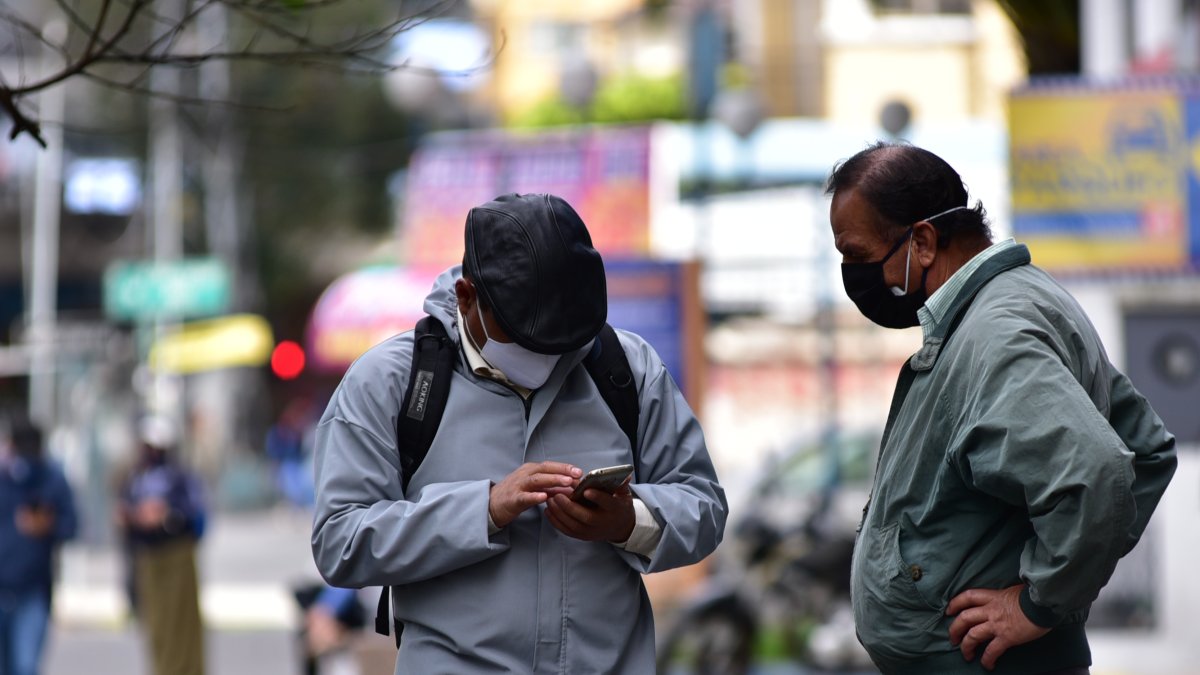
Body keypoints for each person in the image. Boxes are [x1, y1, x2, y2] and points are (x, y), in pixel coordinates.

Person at [311, 192, 727, 673]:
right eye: (528, 336)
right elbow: (340, 542)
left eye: (564, 337)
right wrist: (482, 509)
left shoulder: (625, 368)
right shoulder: (390, 383)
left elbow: (706, 507)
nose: (548, 356)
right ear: (467, 298)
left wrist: (631, 522)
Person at [825, 141, 1178, 675]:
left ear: (922, 240)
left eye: (855, 254)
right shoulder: (1014, 303)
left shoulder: (996, 332)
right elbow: (1145, 448)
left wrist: (1040, 603)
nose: (852, 272)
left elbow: (1099, 471)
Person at [117, 415, 207, 675]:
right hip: (148, 557)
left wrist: (166, 516)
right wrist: (134, 517)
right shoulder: (135, 476)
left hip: (176, 555)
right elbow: (125, 510)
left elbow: (195, 514)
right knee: (156, 624)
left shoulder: (180, 476)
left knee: (181, 623)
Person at [0, 416, 76, 675]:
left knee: (25, 667)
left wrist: (48, 525)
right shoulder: (4, 479)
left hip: (33, 591)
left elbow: (72, 525)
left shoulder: (51, 479)